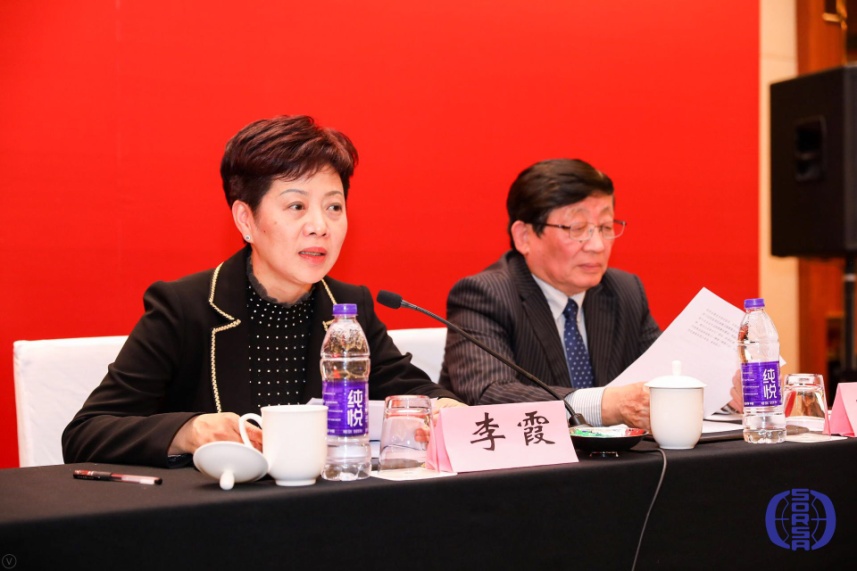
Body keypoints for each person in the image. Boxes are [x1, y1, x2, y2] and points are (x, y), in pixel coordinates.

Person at [62, 115, 462, 467]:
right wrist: (187, 432)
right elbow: (86, 433)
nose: (320, 226)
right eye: (296, 206)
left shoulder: (347, 306)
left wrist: (443, 408)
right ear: (246, 220)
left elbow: (413, 391)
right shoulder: (184, 308)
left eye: (334, 207)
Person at [438, 158, 660, 429]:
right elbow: (488, 395)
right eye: (578, 228)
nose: (598, 245)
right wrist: (605, 406)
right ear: (524, 236)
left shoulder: (625, 291)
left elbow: (663, 377)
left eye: (605, 227)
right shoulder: (485, 296)